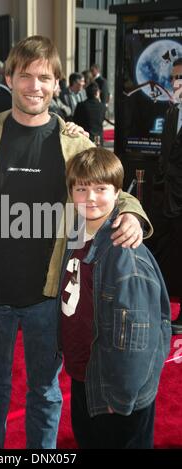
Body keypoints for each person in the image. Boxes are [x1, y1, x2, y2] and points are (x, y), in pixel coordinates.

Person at [0, 36, 151, 449]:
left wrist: (132, 214)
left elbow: (111, 187)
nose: (34, 86)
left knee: (45, 392)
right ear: (10, 79)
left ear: (57, 85)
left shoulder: (76, 142)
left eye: (44, 78)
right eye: (25, 77)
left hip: (49, 295)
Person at [59, 147, 171, 449]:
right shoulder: (80, 234)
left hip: (115, 391)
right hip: (88, 377)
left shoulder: (124, 253)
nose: (91, 197)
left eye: (100, 189)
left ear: (118, 193)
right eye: (82, 189)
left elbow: (138, 335)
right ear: (71, 192)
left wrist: (120, 395)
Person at [147, 57, 182, 335]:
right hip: (168, 196)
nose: (175, 83)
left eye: (180, 77)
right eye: (173, 78)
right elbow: (165, 153)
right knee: (167, 253)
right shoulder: (172, 111)